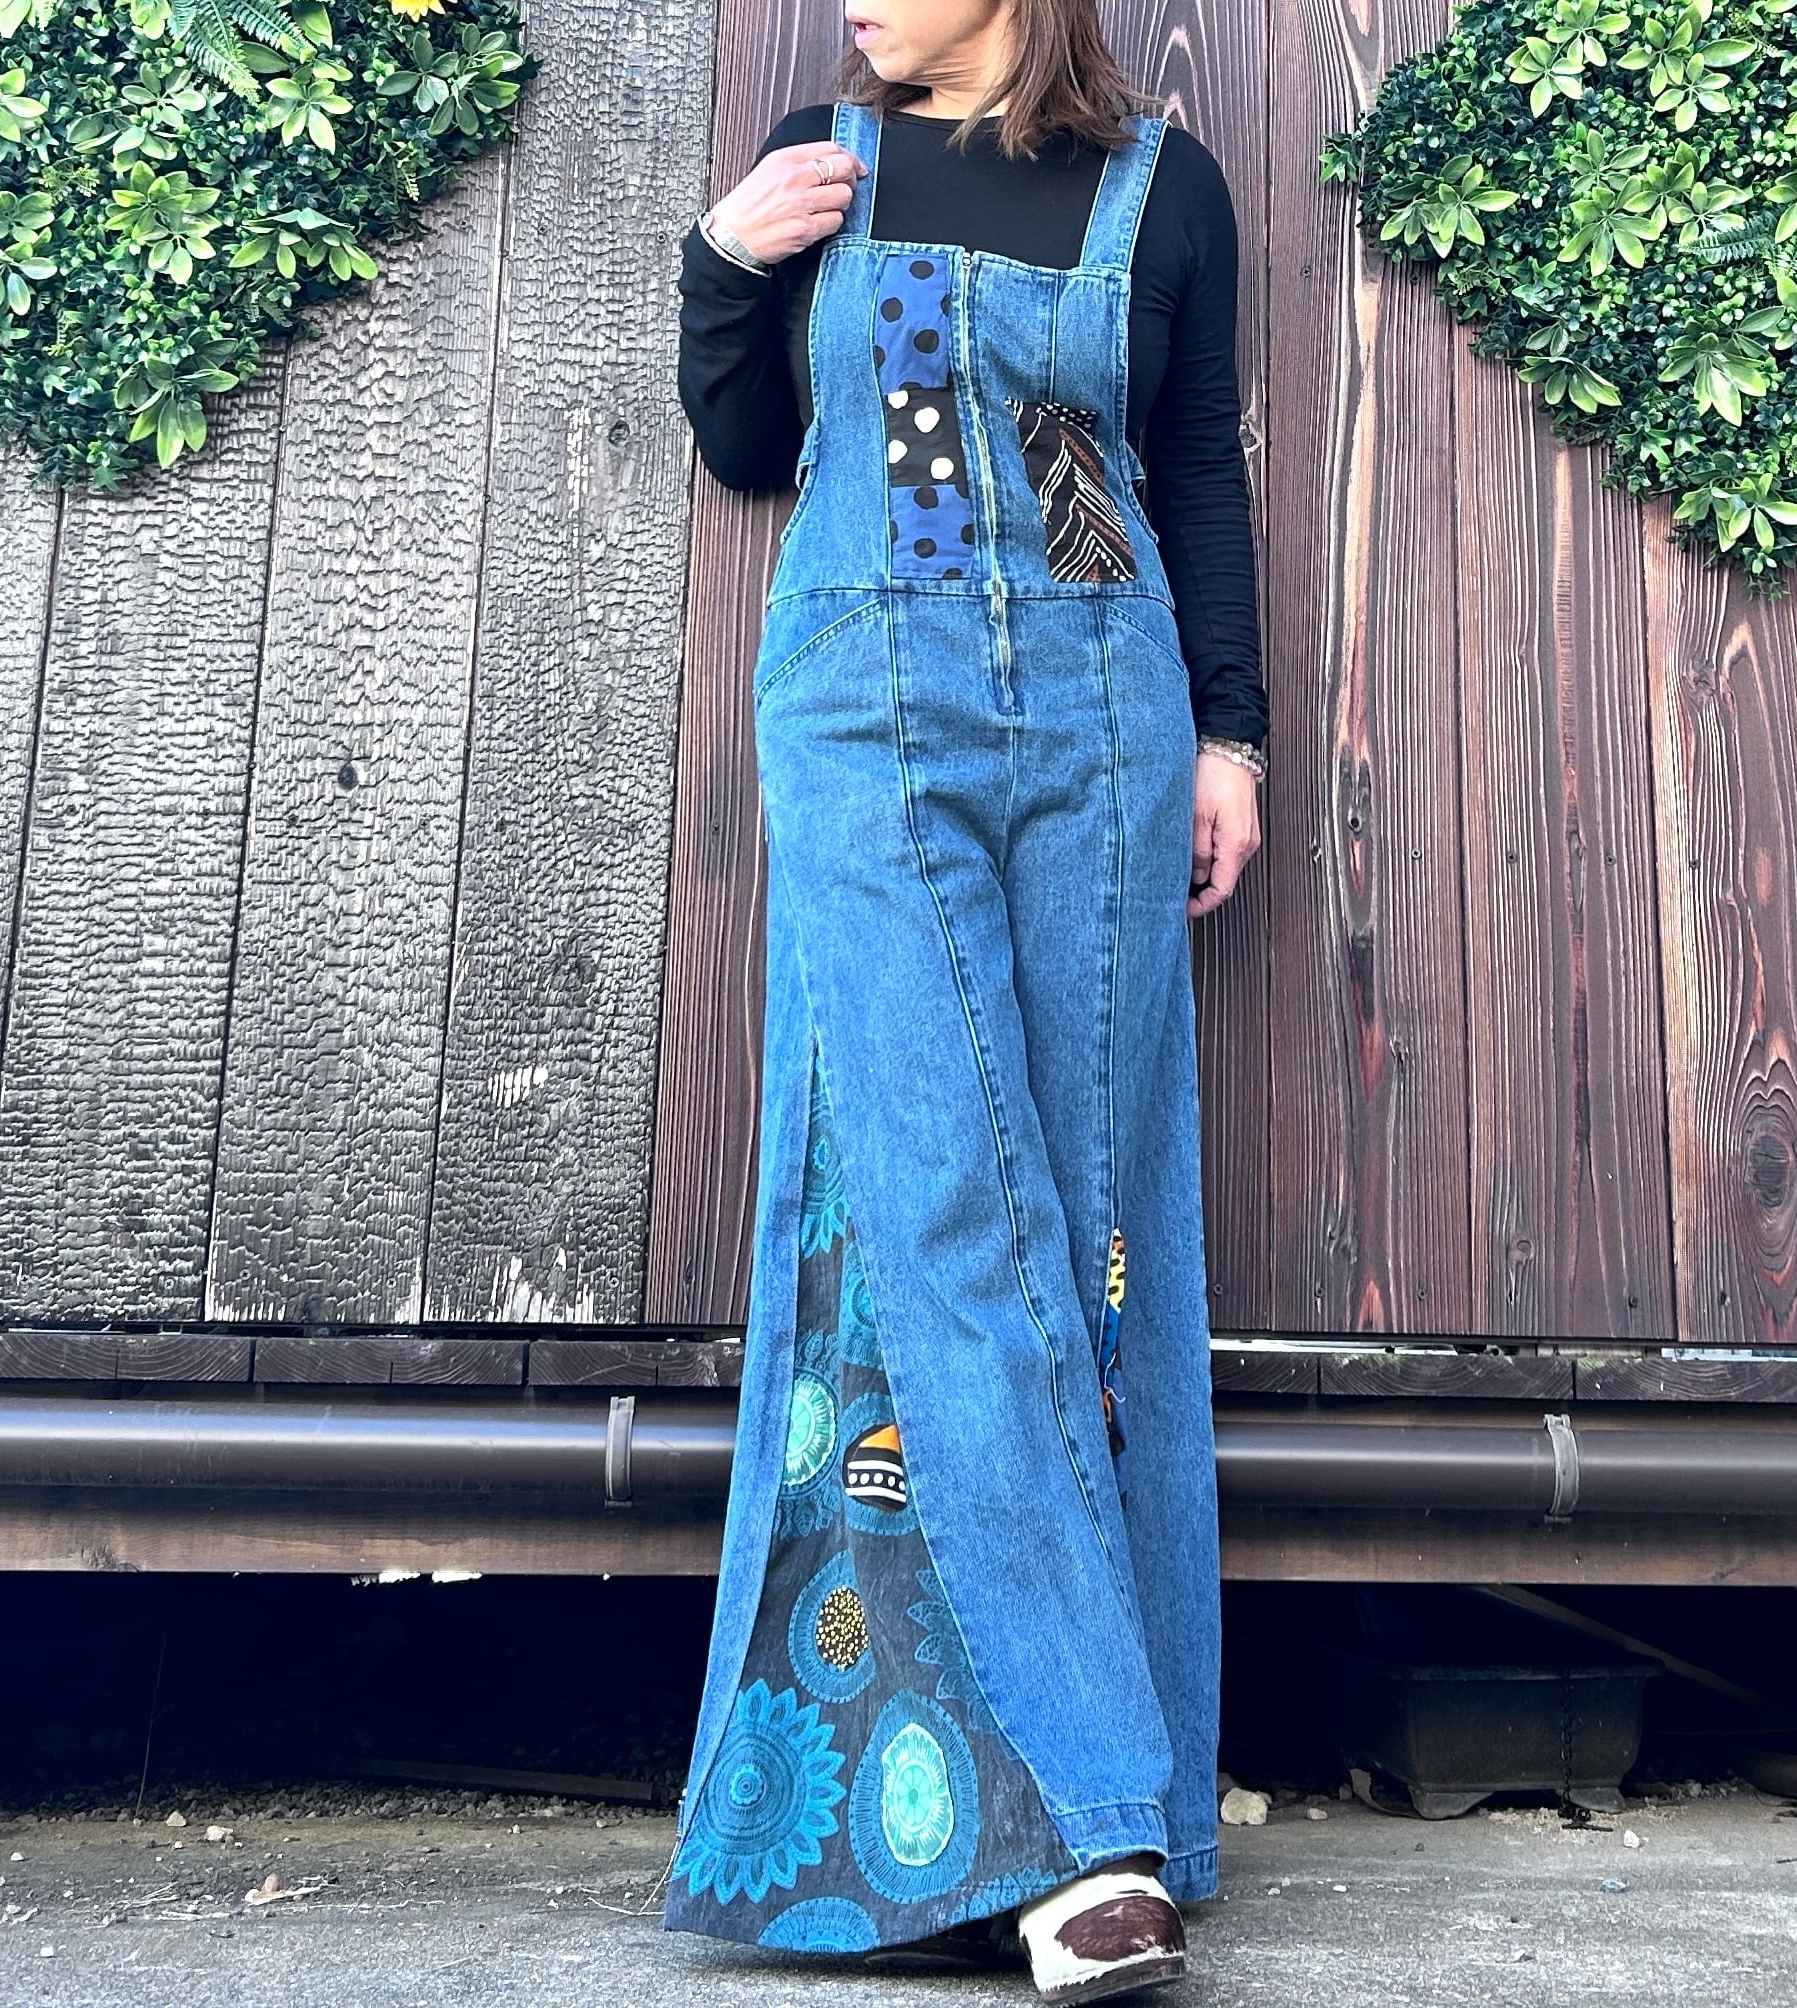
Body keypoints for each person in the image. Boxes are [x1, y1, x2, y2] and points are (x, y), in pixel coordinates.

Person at [661, 0, 1266, 1993]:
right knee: (945, 1200)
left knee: (1086, 1233)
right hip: (870, 711)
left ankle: (1095, 1810)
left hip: (1102, 719)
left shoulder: (1162, 190)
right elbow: (756, 446)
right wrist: (722, 265)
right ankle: (1098, 1820)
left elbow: (1182, 470)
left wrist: (1230, 738)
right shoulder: (823, 156)